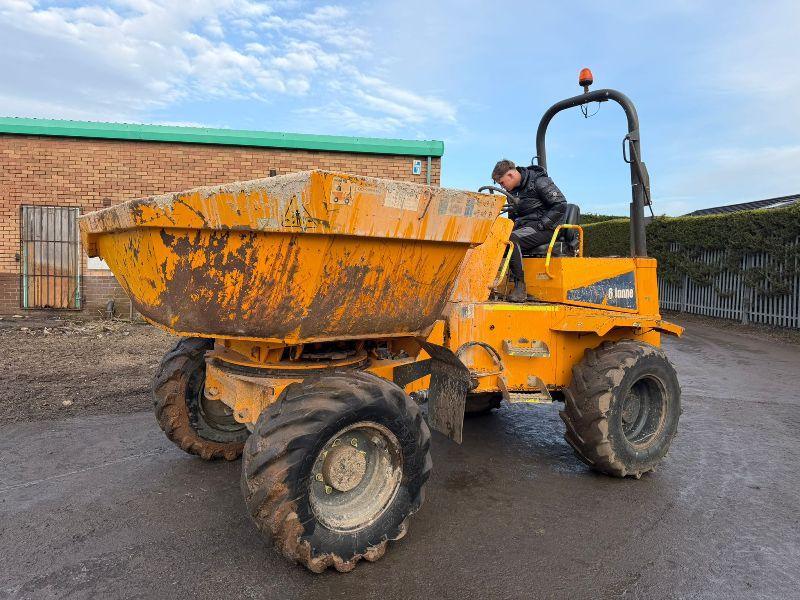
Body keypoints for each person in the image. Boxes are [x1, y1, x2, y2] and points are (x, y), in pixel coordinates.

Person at [492, 159, 567, 302]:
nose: (503, 187)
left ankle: (520, 288)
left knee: (511, 239)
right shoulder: (514, 192)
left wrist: (543, 224)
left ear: (511, 175)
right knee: (497, 236)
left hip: (546, 228)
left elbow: (560, 204)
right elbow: (513, 217)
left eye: (502, 183)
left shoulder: (539, 182)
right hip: (528, 227)